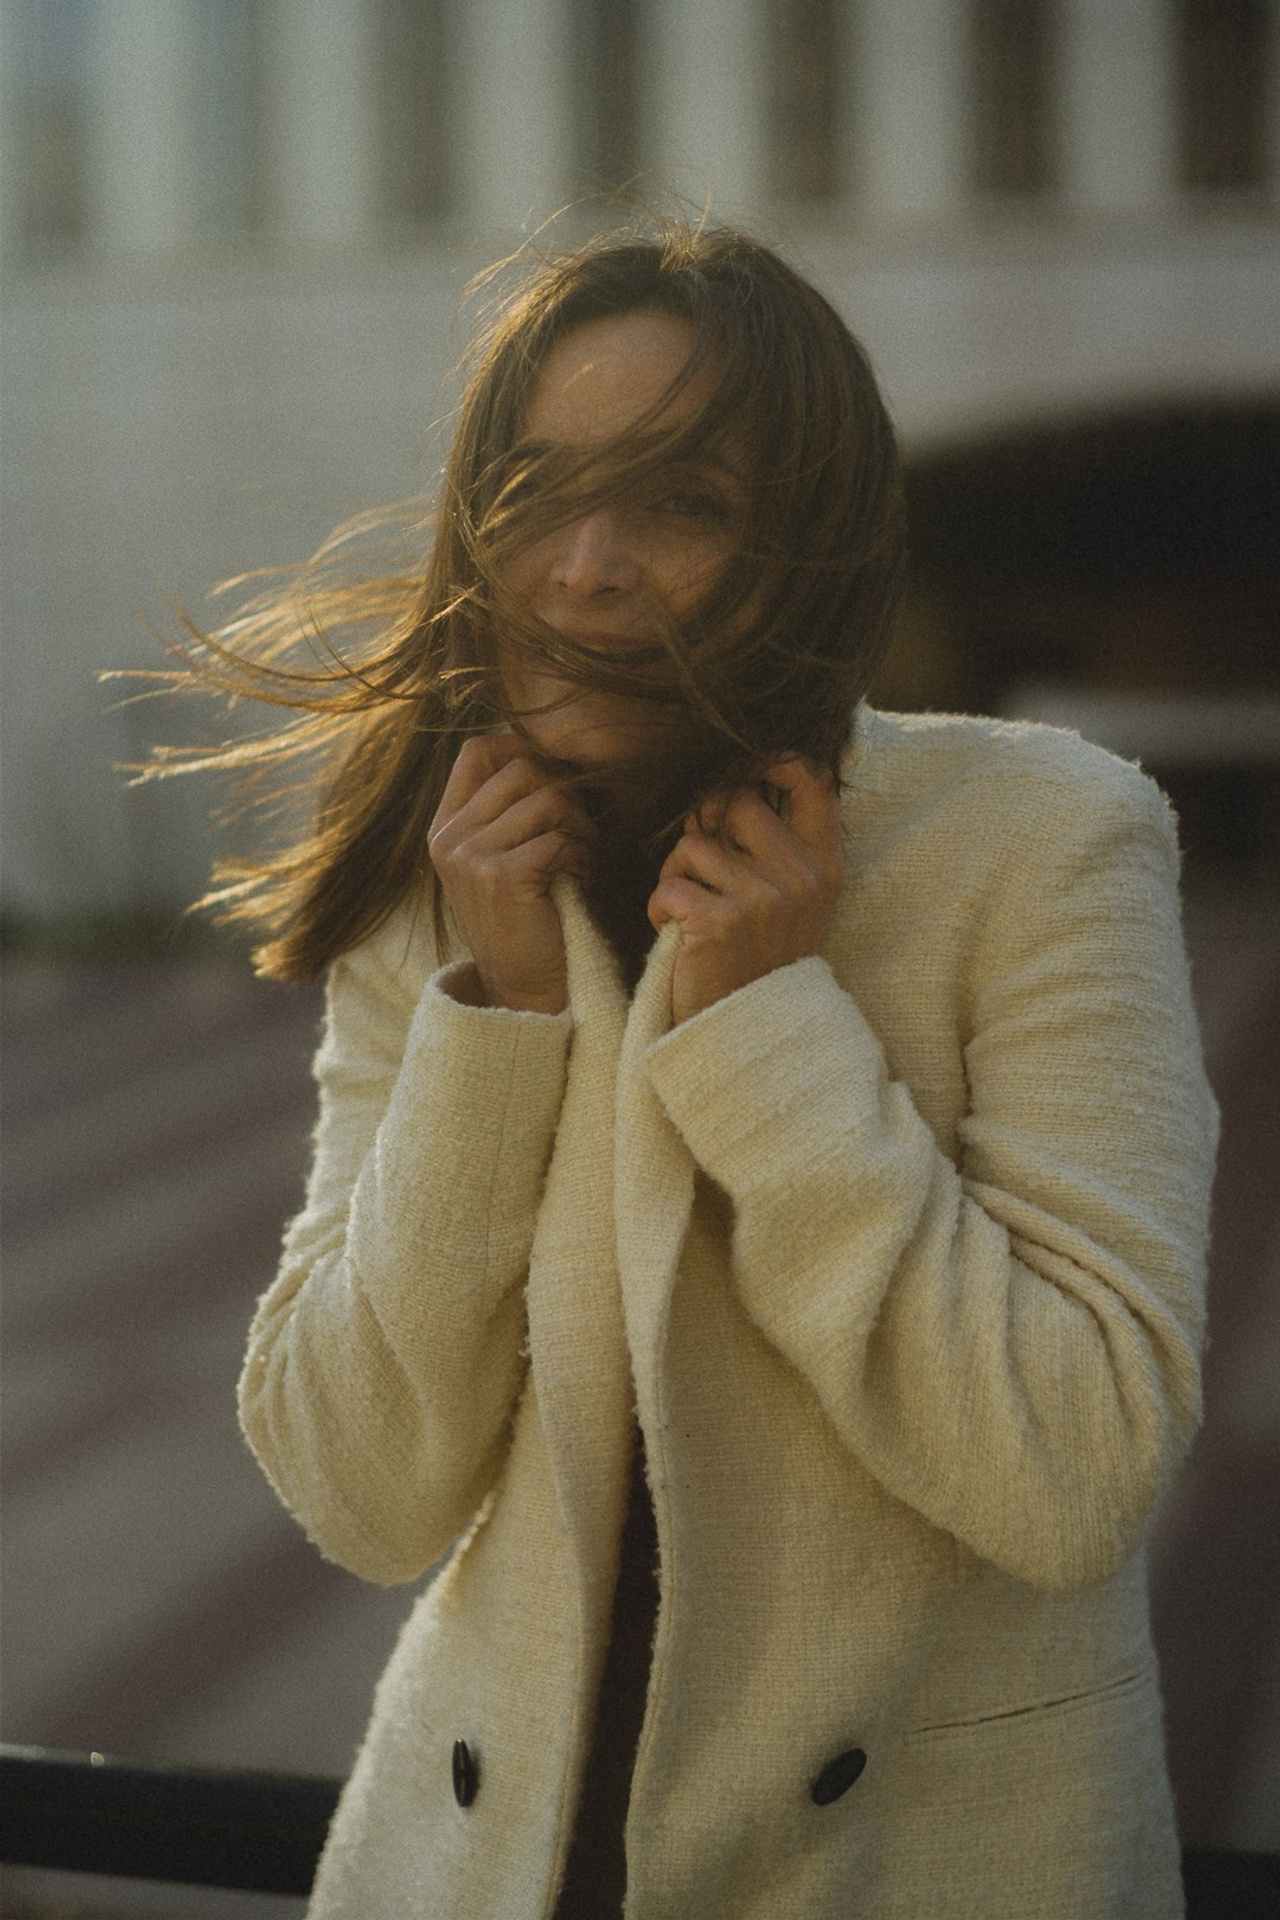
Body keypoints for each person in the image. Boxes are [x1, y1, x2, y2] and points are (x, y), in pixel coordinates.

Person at [175, 225, 1216, 1917]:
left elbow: (1075, 1469)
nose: (585, 569)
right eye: (535, 490)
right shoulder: (441, 890)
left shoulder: (1043, 841)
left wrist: (771, 1037)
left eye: (684, 504)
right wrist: (492, 1026)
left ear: (807, 555)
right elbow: (358, 1491)